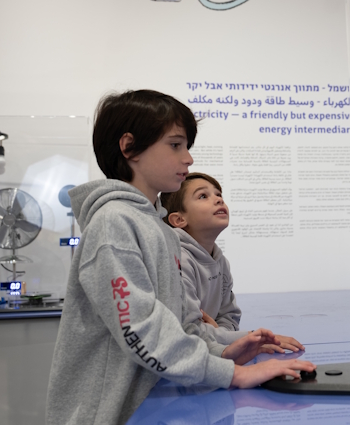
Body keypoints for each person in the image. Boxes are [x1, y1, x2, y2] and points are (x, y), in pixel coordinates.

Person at [46, 90, 315, 425]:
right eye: (175, 145)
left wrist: (223, 352)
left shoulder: (160, 229)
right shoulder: (112, 223)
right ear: (129, 147)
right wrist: (233, 373)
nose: (188, 158)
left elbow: (184, 326)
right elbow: (141, 330)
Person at [160, 173, 304, 352]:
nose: (218, 200)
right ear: (179, 220)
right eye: (203, 196)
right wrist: (251, 338)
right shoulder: (178, 260)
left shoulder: (220, 261)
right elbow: (189, 332)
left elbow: (230, 316)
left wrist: (219, 333)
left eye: (218, 194)